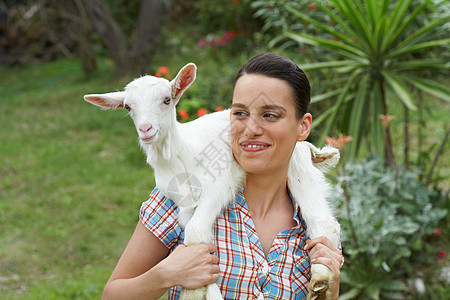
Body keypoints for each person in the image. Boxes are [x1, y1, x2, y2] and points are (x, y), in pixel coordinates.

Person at [102, 53, 343, 299]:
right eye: (240, 113)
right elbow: (112, 295)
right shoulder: (181, 195)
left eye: (270, 115)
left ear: (302, 127)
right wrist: (165, 274)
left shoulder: (317, 228)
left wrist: (331, 289)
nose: (251, 129)